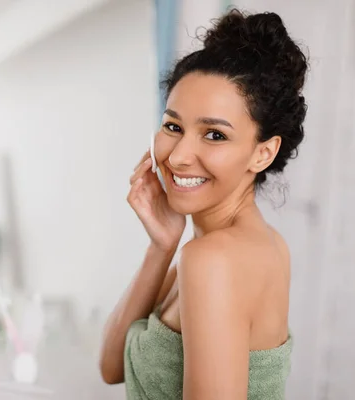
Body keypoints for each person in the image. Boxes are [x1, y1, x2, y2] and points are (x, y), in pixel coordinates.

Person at [99, 9, 308, 400]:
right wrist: (161, 246)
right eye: (173, 127)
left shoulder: (212, 260)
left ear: (262, 153)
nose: (178, 157)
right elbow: (113, 368)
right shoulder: (255, 244)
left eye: (214, 134)